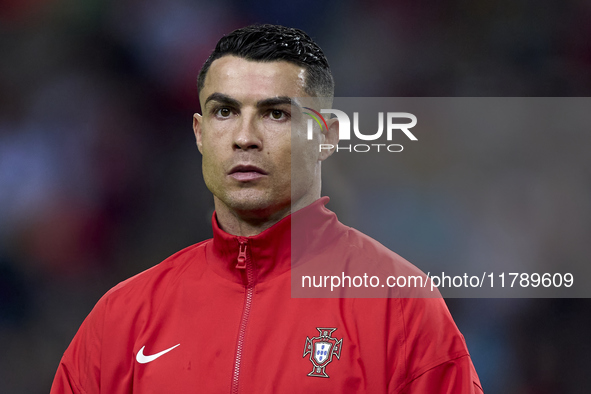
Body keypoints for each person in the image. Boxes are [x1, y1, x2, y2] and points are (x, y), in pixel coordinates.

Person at [51, 24, 483, 393]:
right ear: (200, 133)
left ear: (326, 137)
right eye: (224, 112)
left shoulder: (399, 306)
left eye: (275, 114)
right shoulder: (123, 317)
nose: (245, 137)